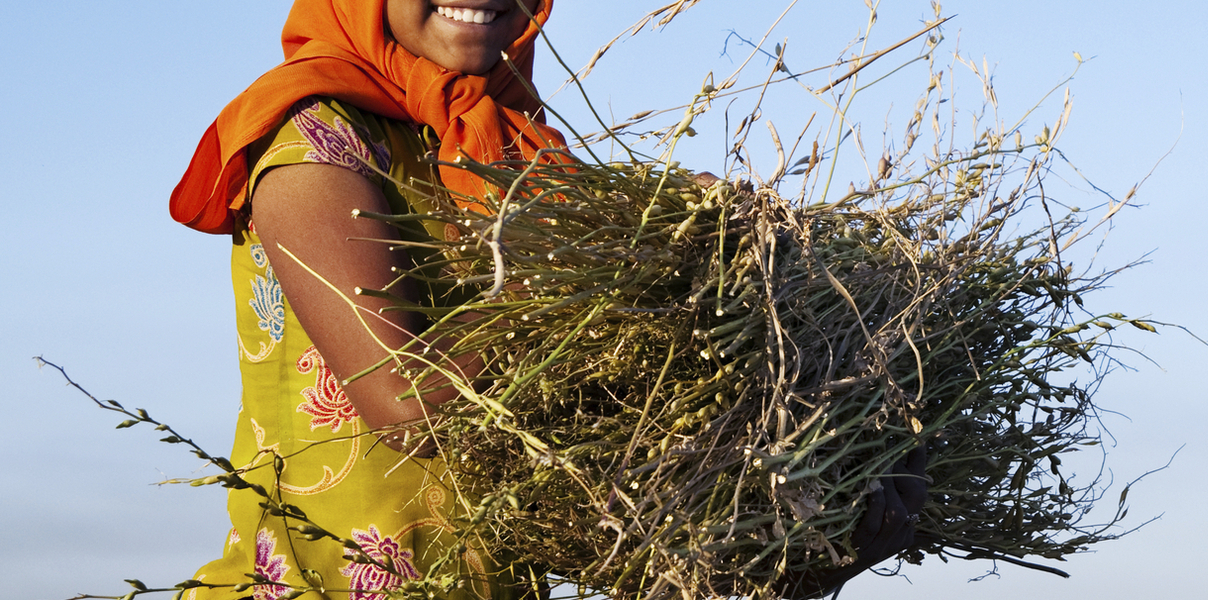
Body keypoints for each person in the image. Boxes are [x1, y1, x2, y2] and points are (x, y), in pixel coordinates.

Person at [168, 2, 922, 598]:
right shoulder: (315, 141)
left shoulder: (516, 159)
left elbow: (587, 487)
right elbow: (407, 401)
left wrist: (796, 535)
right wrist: (623, 255)